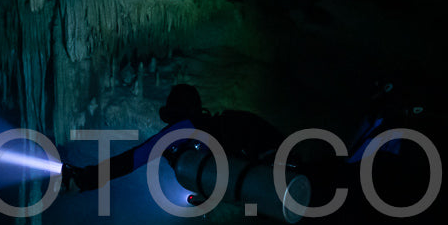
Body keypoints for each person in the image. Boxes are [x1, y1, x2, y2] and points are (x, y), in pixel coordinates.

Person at [62, 83, 286, 192]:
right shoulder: (218, 126)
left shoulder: (184, 129)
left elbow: (133, 159)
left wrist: (86, 179)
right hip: (269, 165)